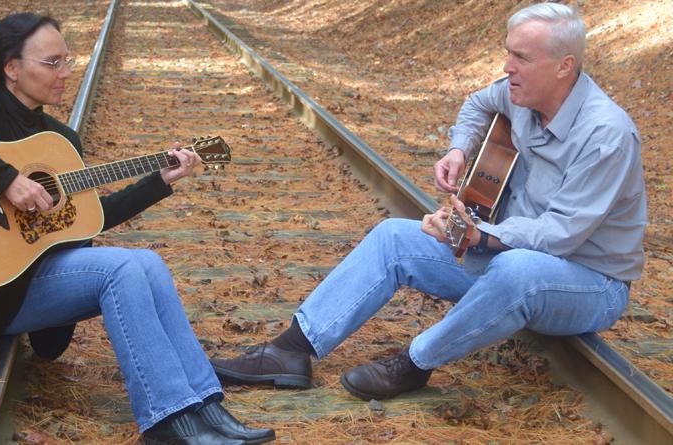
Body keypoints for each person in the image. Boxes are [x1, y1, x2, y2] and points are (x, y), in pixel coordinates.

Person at [210, 2, 646, 402]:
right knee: (394, 237)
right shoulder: (523, 97)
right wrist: (459, 149)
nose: (507, 67)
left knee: (519, 269)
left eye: (522, 58)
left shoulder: (606, 134)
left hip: (589, 281)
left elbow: (561, 233)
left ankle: (415, 364)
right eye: (508, 53)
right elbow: (477, 104)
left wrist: (481, 235)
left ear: (564, 67)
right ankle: (291, 350)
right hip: (508, 254)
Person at [0, 13, 274, 445]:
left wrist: (159, 181)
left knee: (149, 263)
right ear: (11, 67)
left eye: (67, 60)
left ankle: (205, 405)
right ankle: (167, 420)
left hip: (35, 280)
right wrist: (6, 179)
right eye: (52, 63)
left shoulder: (58, 139)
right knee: (119, 269)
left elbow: (91, 216)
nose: (66, 73)